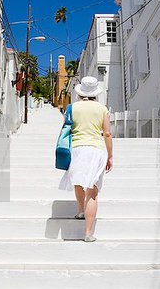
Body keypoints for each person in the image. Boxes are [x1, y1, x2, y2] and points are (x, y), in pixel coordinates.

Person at [58, 76, 113, 242]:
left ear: (80, 92)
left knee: (78, 182)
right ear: (96, 93)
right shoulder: (103, 110)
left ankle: (81, 210)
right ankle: (88, 233)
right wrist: (110, 156)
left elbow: (65, 129)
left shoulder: (71, 108)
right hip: (96, 150)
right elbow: (107, 134)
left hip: (77, 148)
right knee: (93, 191)